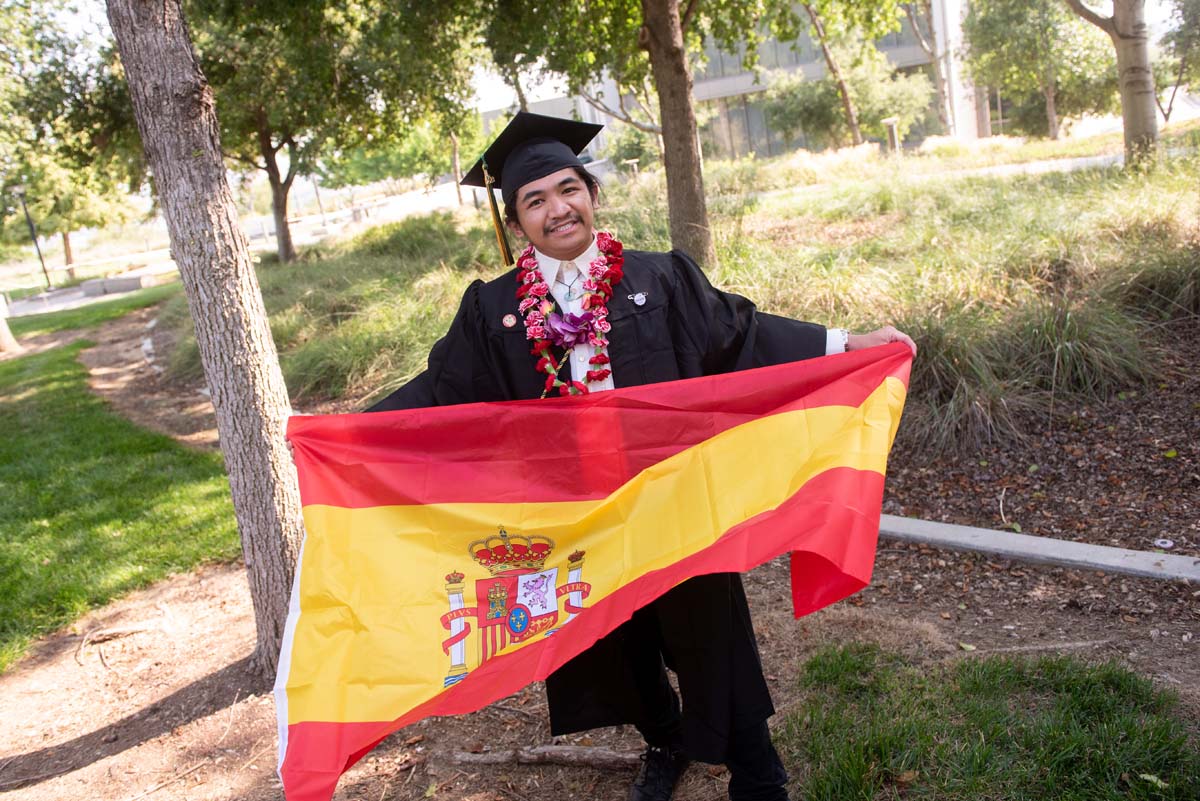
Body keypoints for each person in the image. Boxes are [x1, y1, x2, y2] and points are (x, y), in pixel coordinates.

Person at [367, 112, 915, 801]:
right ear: (515, 223)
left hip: (673, 501)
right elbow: (443, 391)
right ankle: (666, 738)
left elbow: (742, 334)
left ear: (592, 195)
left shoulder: (660, 280)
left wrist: (852, 343)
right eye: (535, 200)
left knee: (710, 631)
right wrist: (355, 432)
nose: (557, 208)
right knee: (610, 641)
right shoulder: (493, 310)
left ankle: (756, 768)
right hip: (575, 519)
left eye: (568, 189)